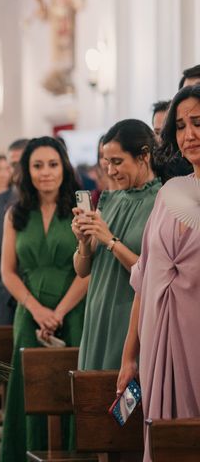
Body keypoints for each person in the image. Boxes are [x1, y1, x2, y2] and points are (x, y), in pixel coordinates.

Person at [117, 84, 200, 462]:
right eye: (180, 127)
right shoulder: (168, 198)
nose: (189, 134)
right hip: (156, 346)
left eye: (198, 122)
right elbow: (144, 283)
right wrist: (128, 357)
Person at [0, 137, 88, 461]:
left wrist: (59, 313)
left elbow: (89, 271)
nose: (45, 172)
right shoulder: (15, 214)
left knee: (71, 392)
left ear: (63, 167)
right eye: (37, 166)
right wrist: (37, 310)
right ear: (27, 171)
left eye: (52, 164)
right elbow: (8, 272)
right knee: (27, 393)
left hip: (74, 312)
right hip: (30, 314)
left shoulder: (82, 210)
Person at [73, 120, 161, 371]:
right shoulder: (109, 199)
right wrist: (84, 241)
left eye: (118, 162)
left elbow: (153, 275)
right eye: (106, 162)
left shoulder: (161, 201)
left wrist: (110, 241)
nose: (110, 171)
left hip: (129, 317)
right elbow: (82, 270)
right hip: (97, 313)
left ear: (144, 155)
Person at [0, 139, 28, 326]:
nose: (15, 170)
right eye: (12, 165)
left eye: (21, 164)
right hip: (5, 298)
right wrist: (4, 288)